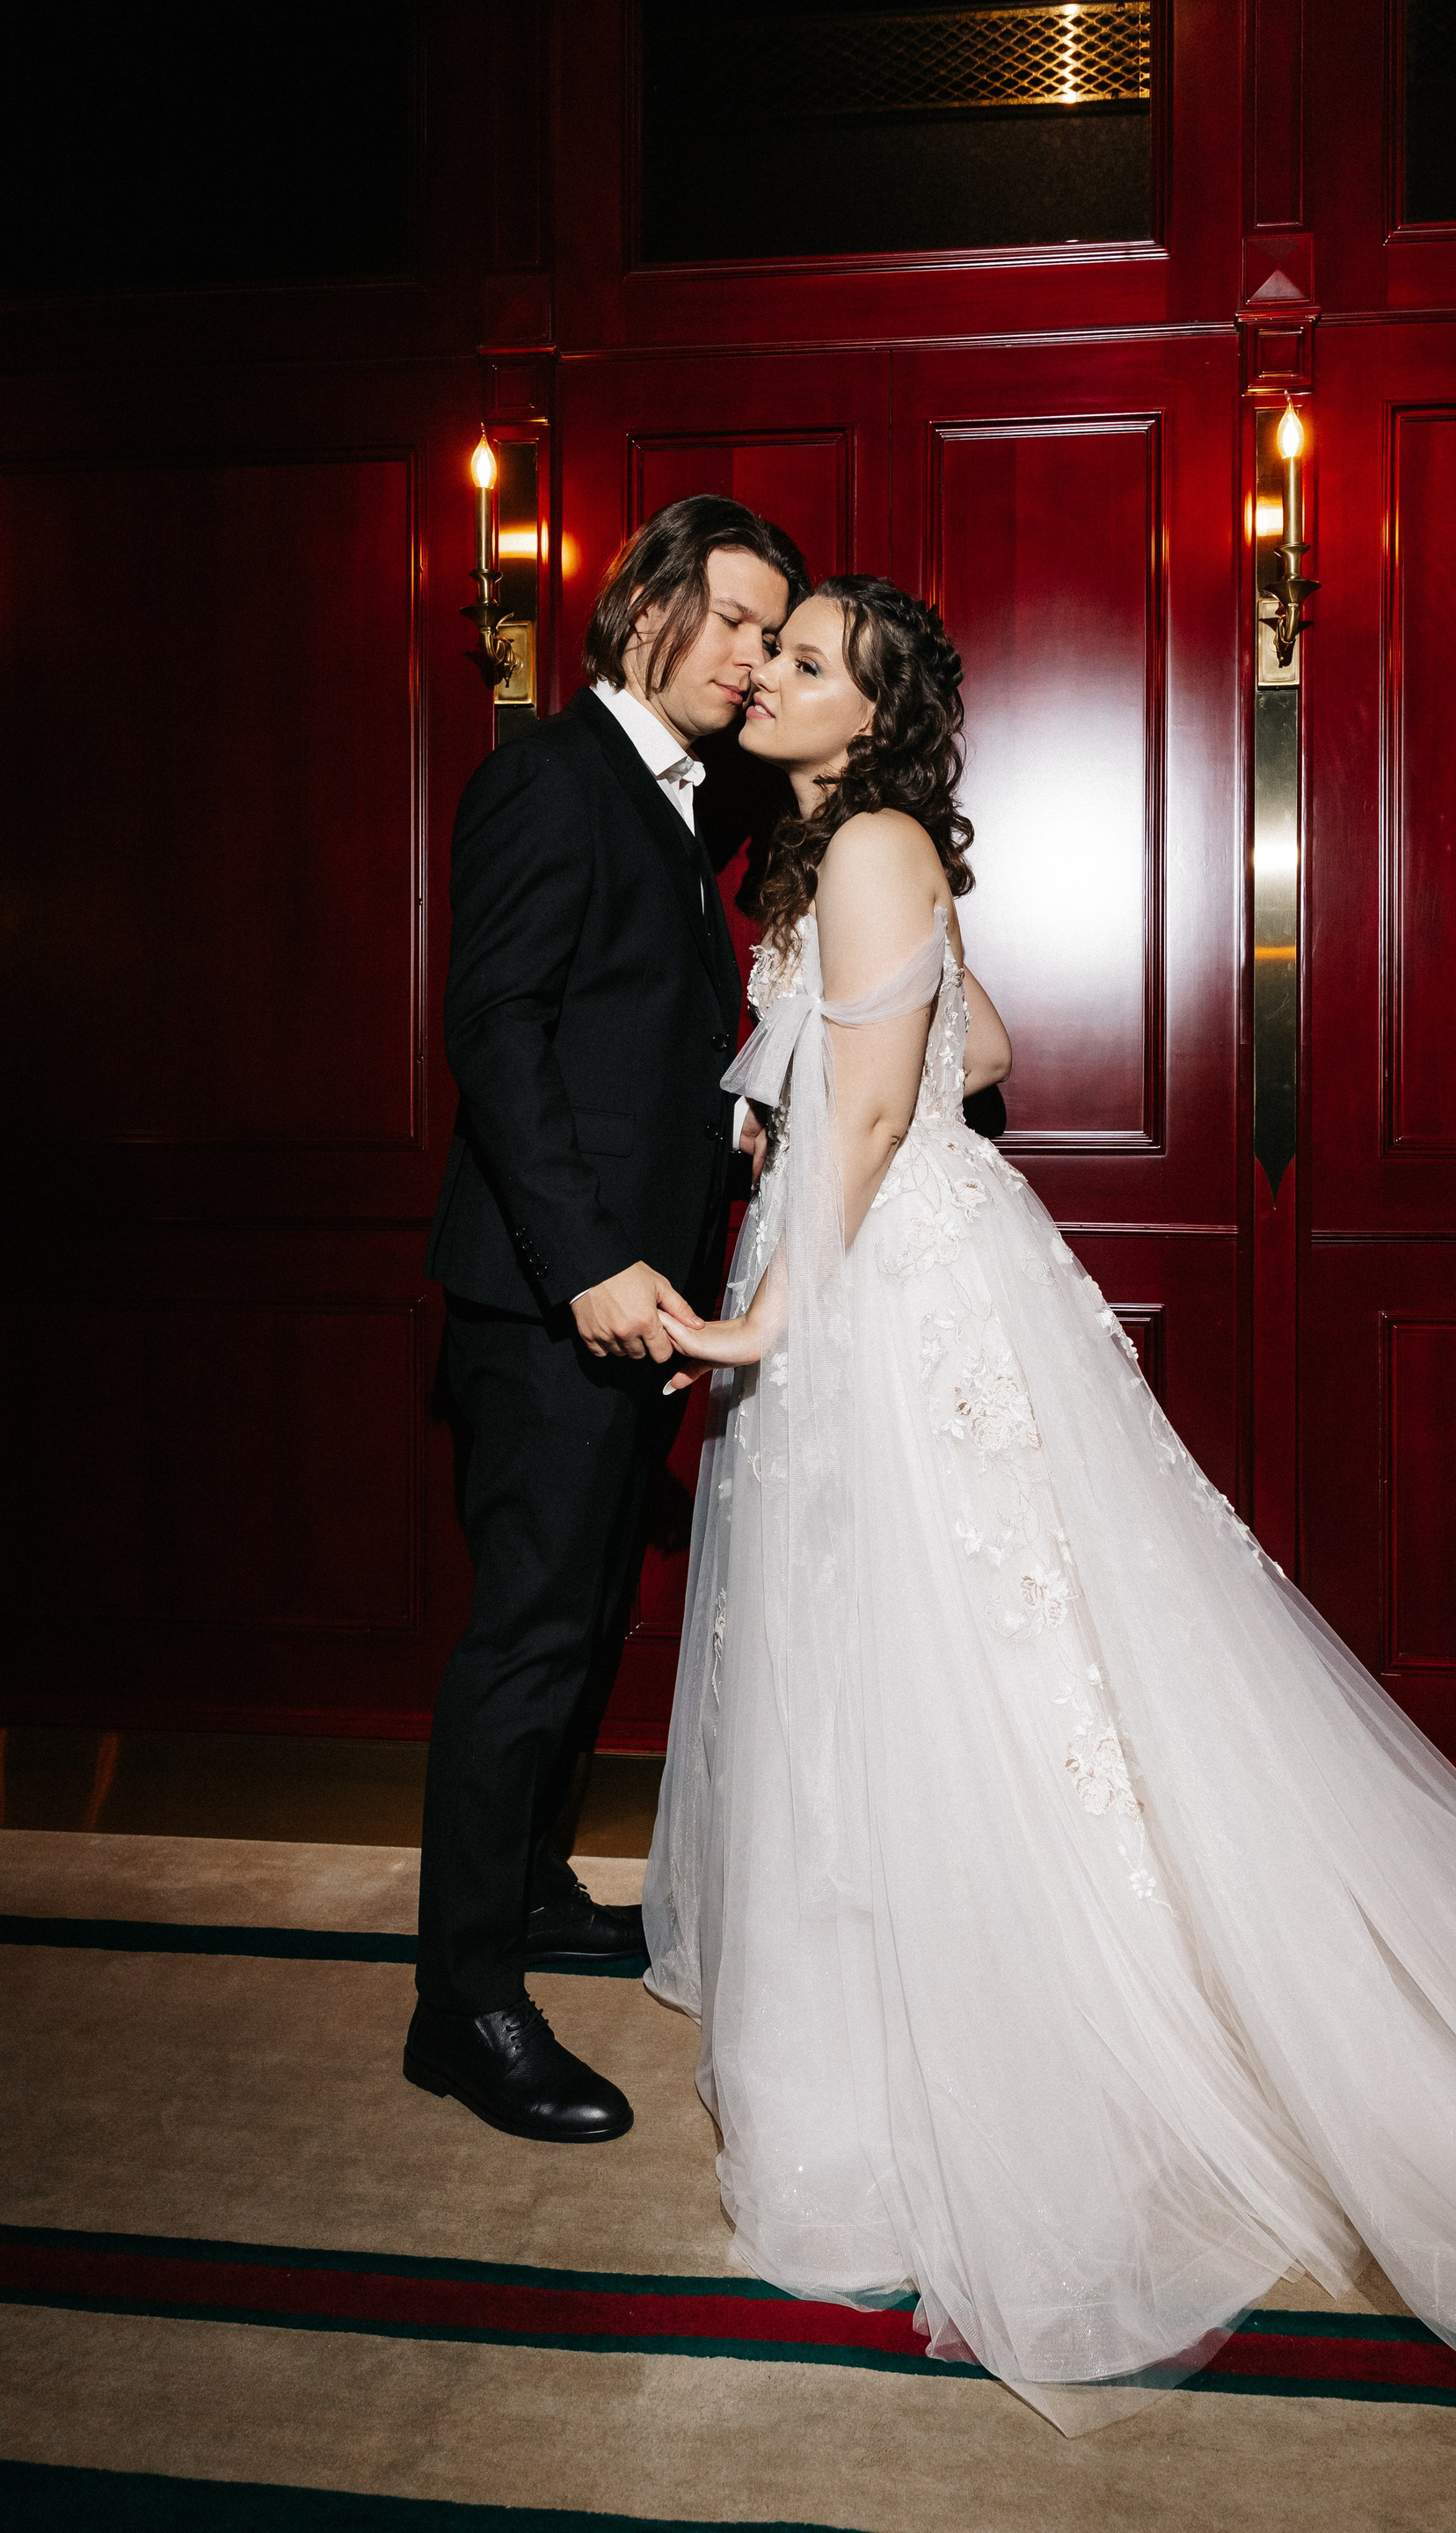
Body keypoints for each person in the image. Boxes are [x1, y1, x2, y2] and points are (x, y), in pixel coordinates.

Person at [643, 575, 1456, 2429]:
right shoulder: (835, 859)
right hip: (906, 1266)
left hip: (882, 1294)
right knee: (900, 1672)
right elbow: (974, 1052)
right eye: (775, 652)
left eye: (807, 662)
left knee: (939, 1673)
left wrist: (767, 1311)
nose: (771, 676)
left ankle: (992, 2089)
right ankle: (896, 2078)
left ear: (873, 718)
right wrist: (792, 1093)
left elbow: (880, 1118)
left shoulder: (865, 842)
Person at [405, 496, 807, 2144]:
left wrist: (723, 1135)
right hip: (548, 1299)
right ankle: (461, 2005)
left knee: (578, 1626)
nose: (755, 658)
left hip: (635, 1300)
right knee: (526, 1639)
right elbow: (494, 1029)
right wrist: (583, 1263)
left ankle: (530, 1889)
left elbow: (619, 1036)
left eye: (774, 636)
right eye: (735, 621)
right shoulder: (551, 778)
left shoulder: (675, 803)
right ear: (646, 606)